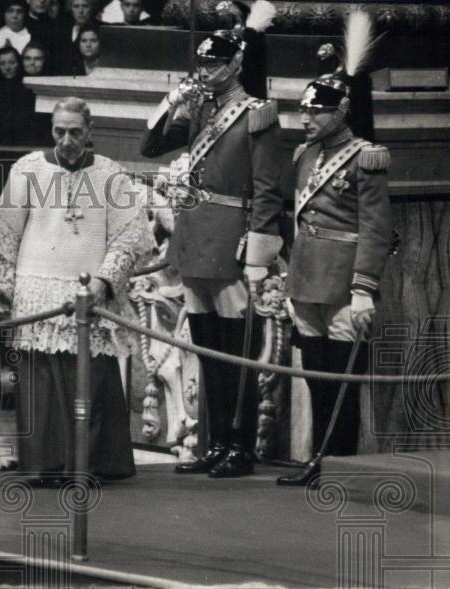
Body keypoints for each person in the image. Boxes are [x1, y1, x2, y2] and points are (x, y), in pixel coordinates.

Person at [0, 97, 152, 485]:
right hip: (35, 292)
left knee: (89, 383)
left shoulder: (111, 175)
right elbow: (3, 234)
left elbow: (130, 239)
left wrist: (104, 282)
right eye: (60, 131)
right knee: (40, 386)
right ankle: (45, 466)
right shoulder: (28, 169)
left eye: (75, 132)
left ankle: (88, 465)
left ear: (89, 131)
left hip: (88, 295)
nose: (67, 140)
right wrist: (3, 284)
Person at [140, 29, 283, 478]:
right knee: (206, 347)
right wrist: (175, 98)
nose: (208, 71)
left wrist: (257, 253)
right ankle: (216, 440)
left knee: (235, 350)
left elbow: (267, 191)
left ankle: (239, 444)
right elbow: (152, 146)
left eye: (216, 64)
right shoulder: (199, 106)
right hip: (194, 234)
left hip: (230, 239)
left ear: (236, 64)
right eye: (203, 64)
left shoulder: (257, 115)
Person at [277, 18, 392, 487]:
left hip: (344, 283)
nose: (306, 119)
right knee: (316, 378)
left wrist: (364, 289)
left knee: (342, 381)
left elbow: (376, 230)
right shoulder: (304, 155)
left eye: (315, 113)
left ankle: (338, 463)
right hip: (307, 279)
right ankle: (318, 459)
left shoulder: (365, 157)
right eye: (304, 112)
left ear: (341, 111)